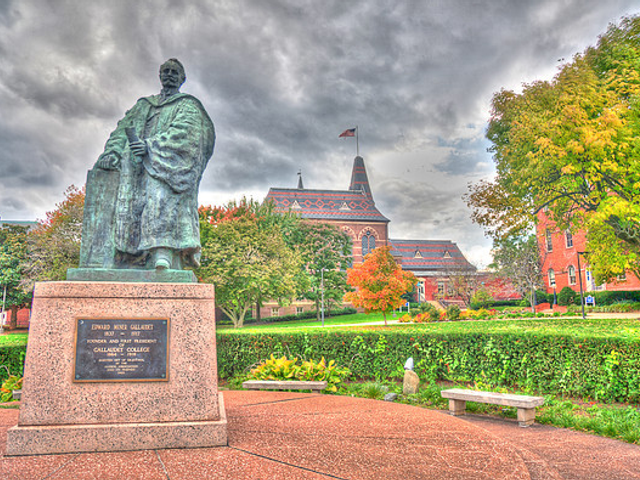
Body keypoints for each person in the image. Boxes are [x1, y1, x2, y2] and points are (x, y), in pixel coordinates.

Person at [81, 59, 215, 271]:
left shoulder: (188, 105)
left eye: (175, 72)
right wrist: (113, 152)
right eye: (166, 71)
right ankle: (128, 258)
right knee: (126, 202)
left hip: (167, 166)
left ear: (182, 79)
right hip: (133, 167)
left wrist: (150, 147)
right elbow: (122, 129)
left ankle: (162, 254)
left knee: (159, 195)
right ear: (160, 76)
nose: (170, 75)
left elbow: (186, 135)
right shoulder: (144, 105)